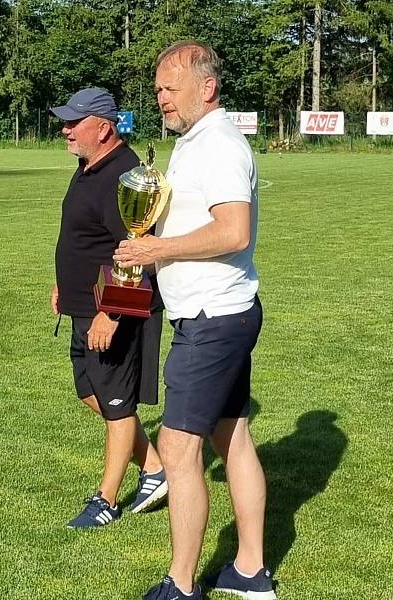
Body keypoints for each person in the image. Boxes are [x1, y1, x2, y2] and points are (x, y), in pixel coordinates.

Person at [113, 42, 275, 599]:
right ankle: (250, 571)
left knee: (180, 450)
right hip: (220, 313)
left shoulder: (220, 146)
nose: (160, 99)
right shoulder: (195, 141)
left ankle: (180, 586)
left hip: (213, 319)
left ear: (206, 87)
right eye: (158, 89)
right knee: (233, 439)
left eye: (169, 88)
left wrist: (159, 250)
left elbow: (234, 232)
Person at [50, 87, 168, 529]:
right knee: (90, 394)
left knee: (118, 406)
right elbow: (84, 235)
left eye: (72, 122)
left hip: (111, 311)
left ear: (103, 127)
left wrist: (112, 312)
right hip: (83, 304)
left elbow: (134, 248)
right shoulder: (89, 166)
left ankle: (107, 499)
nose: (65, 129)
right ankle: (155, 468)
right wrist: (63, 284)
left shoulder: (126, 176)